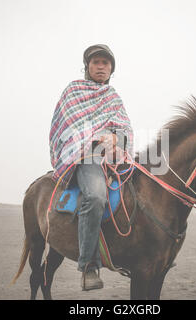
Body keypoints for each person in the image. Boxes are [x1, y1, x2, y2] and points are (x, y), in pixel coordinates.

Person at [49, 44, 134, 291]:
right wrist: (93, 139)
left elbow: (125, 129)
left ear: (111, 70)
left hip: (115, 158)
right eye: (96, 62)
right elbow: (65, 126)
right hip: (85, 157)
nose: (101, 66)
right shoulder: (73, 91)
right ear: (87, 66)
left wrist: (116, 139)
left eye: (105, 63)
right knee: (96, 197)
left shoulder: (113, 97)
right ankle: (89, 267)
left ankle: (144, 252)